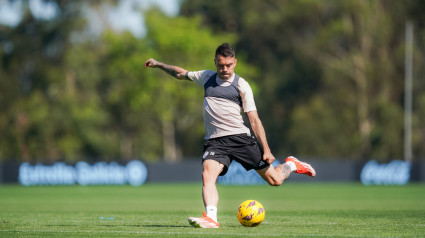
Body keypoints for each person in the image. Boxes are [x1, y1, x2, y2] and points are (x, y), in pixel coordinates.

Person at [144, 43, 316, 228]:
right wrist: (159, 64)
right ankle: (211, 218)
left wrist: (266, 149)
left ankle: (291, 164)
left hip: (240, 139)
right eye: (220, 65)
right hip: (215, 142)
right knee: (207, 175)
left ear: (235, 62)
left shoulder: (242, 85)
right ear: (215, 62)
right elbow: (180, 73)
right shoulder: (207, 77)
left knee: (275, 180)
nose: (224, 69)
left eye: (228, 65)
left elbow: (255, 120)